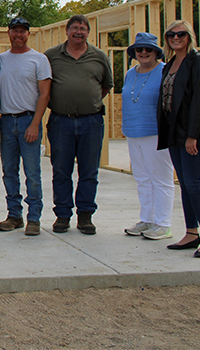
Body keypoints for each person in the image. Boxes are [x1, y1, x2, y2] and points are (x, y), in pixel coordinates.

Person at [45, 14, 113, 235]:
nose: (78, 32)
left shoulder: (99, 57)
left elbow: (105, 86)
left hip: (91, 121)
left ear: (88, 32)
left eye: (83, 28)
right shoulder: (52, 56)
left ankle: (85, 215)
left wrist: (88, 102)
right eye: (74, 28)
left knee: (89, 171)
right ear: (67, 31)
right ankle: (63, 215)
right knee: (61, 170)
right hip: (60, 121)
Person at [158, 20, 200, 257]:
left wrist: (192, 136)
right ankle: (191, 233)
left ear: (189, 36)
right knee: (184, 184)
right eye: (171, 34)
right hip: (174, 132)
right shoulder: (170, 63)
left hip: (193, 133)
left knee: (193, 183)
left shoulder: (198, 62)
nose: (176, 37)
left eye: (181, 34)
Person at [0, 17, 51, 236]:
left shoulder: (39, 59)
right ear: (8, 33)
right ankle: (14, 215)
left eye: (23, 31)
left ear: (28, 34)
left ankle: (34, 218)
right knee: (9, 172)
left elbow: (45, 94)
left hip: (29, 119)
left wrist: (36, 124)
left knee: (32, 172)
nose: (18, 35)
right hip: (7, 121)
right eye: (14, 31)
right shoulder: (1, 60)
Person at [121, 33, 174, 240]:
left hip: (156, 133)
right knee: (142, 178)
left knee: (161, 179)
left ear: (156, 52)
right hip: (133, 132)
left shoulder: (164, 71)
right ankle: (147, 219)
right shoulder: (130, 73)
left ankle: (163, 224)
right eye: (139, 49)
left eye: (148, 50)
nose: (143, 53)